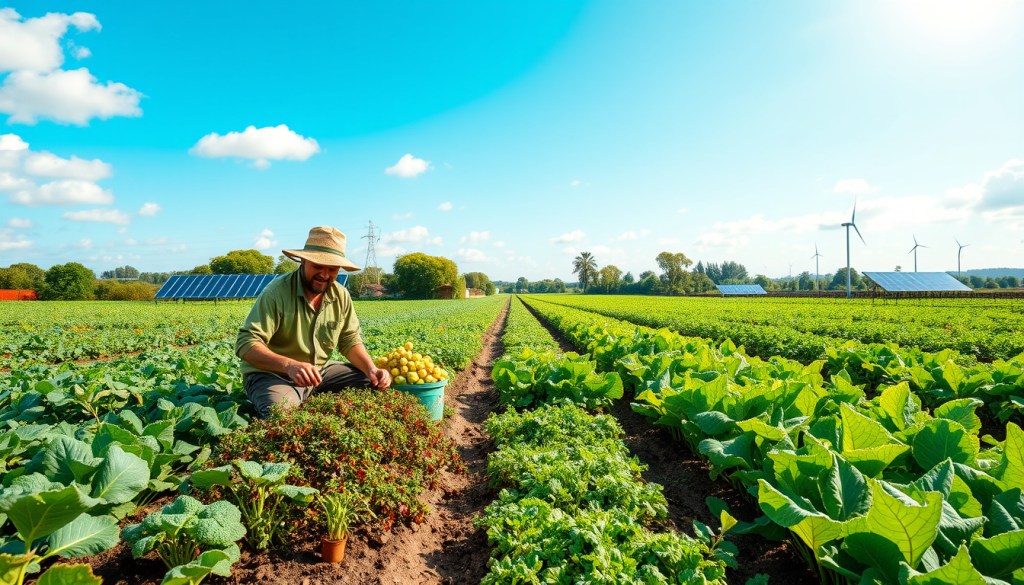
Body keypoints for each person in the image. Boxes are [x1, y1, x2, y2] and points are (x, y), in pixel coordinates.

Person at [235, 226, 391, 418]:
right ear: (303, 260)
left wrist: (371, 368)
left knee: (371, 382)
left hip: (319, 373)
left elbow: (349, 340)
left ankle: (309, 398)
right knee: (283, 417)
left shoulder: (340, 295)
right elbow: (246, 344)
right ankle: (286, 400)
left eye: (332, 269)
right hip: (274, 375)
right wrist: (289, 366)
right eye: (317, 266)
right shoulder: (277, 293)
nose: (324, 275)